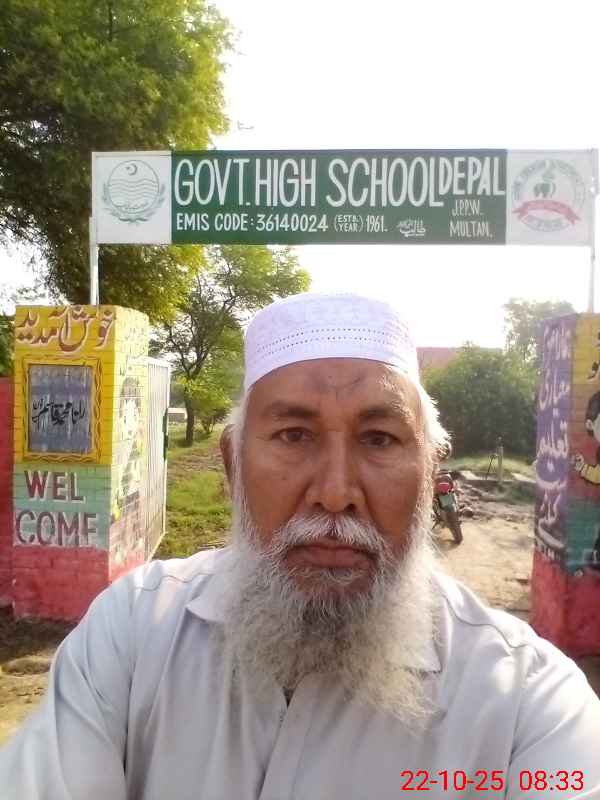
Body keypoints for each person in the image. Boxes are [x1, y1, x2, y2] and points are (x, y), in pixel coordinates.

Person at [1, 292, 599, 800]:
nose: (336, 494)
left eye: (379, 439)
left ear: (429, 473)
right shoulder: (134, 633)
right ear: (234, 465)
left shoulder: (527, 705)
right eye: (293, 435)